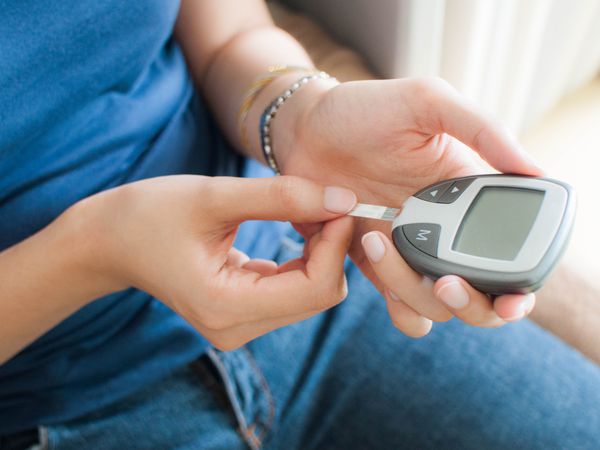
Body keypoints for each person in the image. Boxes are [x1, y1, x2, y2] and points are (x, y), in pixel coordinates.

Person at [1, 1, 599, 449]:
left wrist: (299, 113)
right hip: (61, 406)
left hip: (308, 262)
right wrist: (98, 248)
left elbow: (228, 34)